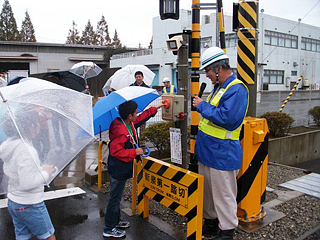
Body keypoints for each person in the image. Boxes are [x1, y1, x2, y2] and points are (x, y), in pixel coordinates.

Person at [192, 47, 249, 240]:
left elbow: (228, 118)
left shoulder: (237, 89)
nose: (207, 75)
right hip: (208, 152)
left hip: (223, 154)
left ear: (218, 68)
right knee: (208, 194)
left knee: (224, 195)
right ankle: (211, 224)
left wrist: (202, 106)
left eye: (208, 70)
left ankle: (227, 232)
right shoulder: (219, 89)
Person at [103, 100, 164, 238]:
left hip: (123, 167)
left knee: (117, 197)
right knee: (114, 198)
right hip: (118, 168)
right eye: (136, 112)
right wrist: (135, 152)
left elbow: (142, 117)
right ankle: (108, 228)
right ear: (130, 116)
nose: (138, 114)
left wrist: (157, 108)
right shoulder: (120, 130)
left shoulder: (127, 123)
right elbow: (116, 152)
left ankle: (116, 221)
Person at [0, 108, 56, 240]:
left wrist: (40, 168)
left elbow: (21, 170)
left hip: (14, 201)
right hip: (30, 204)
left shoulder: (12, 143)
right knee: (49, 236)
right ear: (31, 126)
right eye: (37, 122)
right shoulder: (27, 150)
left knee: (23, 236)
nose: (39, 126)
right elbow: (28, 183)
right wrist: (46, 173)